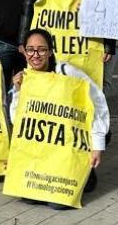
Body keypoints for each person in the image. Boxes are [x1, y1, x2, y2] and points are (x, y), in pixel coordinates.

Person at [9, 29, 109, 208]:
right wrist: (17, 92)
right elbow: (17, 121)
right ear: (24, 52)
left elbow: (97, 102)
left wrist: (97, 146)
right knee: (29, 197)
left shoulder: (67, 72)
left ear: (50, 51)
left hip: (68, 147)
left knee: (58, 204)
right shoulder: (25, 78)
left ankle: (87, 176)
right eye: (30, 50)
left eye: (41, 49)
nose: (36, 55)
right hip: (43, 150)